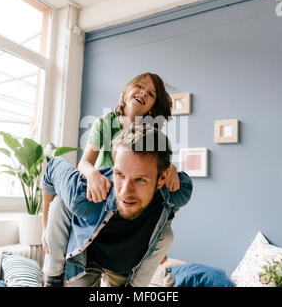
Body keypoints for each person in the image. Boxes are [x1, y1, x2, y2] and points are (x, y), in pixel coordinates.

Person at [41, 72, 180, 286]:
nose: (143, 92)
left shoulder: (152, 136)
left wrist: (171, 168)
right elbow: (84, 163)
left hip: (127, 217)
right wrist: (93, 174)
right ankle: (54, 275)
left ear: (152, 108)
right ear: (125, 93)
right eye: (139, 86)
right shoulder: (106, 123)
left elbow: (162, 194)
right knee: (61, 202)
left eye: (150, 93)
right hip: (99, 200)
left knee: (166, 233)